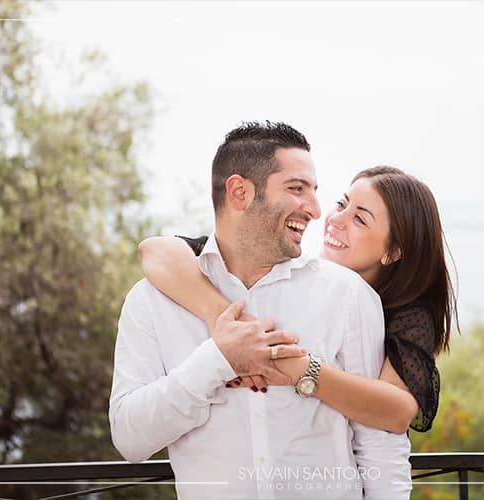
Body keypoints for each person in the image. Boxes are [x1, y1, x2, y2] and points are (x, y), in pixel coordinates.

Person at [109, 122, 411, 499]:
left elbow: (381, 448)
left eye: (315, 192)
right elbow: (129, 438)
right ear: (240, 192)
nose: (317, 210)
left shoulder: (349, 296)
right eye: (296, 189)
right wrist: (218, 360)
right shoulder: (152, 301)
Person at [139, 166, 457, 435]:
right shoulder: (289, 266)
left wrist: (295, 366)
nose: (335, 219)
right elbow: (155, 251)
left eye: (360, 219)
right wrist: (226, 321)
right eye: (341, 204)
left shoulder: (407, 313)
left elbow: (396, 410)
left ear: (393, 251)